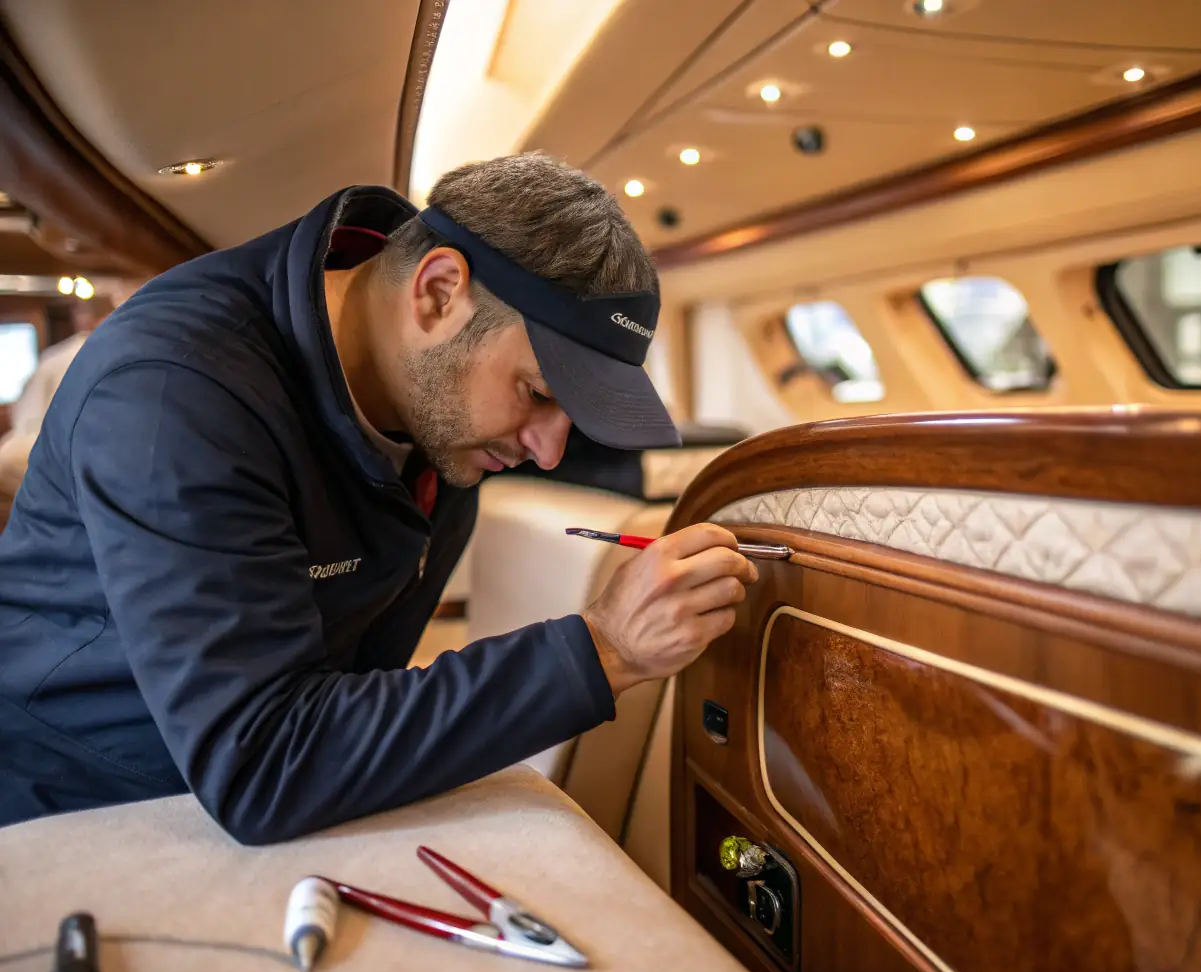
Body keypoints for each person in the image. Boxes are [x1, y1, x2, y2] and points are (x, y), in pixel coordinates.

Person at [0, 154, 758, 843]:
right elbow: (264, 763)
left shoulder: (437, 430)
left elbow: (353, 695)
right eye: (535, 393)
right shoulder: (177, 390)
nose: (549, 450)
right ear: (436, 293)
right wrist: (603, 649)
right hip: (72, 815)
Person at [0, 299, 113, 527]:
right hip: (57, 453)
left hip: (26, 450)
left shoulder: (57, 355)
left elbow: (19, 412)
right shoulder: (111, 349)